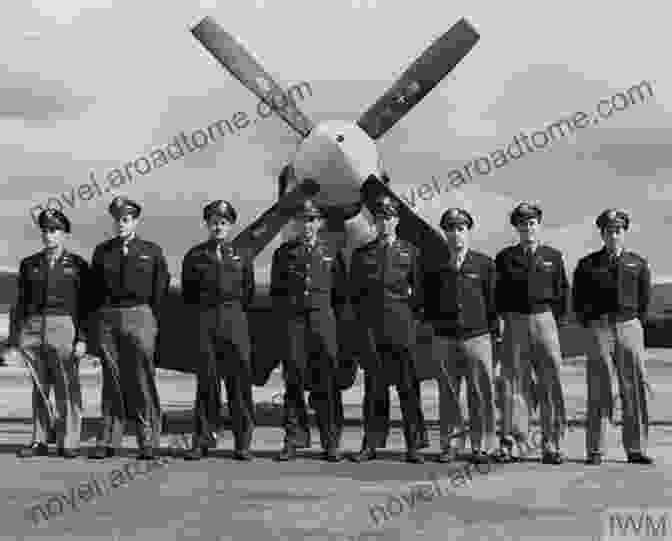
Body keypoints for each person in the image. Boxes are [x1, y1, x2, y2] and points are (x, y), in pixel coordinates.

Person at [89, 196, 169, 460]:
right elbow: (94, 291)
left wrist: (149, 316)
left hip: (140, 314)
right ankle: (108, 440)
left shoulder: (152, 250)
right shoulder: (102, 251)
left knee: (142, 377)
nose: (121, 224)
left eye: (126, 219)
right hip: (108, 317)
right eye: (117, 220)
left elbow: (161, 288)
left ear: (135, 221)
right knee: (111, 380)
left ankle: (148, 439)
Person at [573, 209, 653, 465]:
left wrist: (634, 322)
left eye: (618, 230)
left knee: (635, 388)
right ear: (602, 233)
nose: (614, 235)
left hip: (629, 326)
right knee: (599, 387)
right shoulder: (587, 264)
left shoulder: (637, 263)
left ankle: (636, 448)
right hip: (600, 328)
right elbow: (578, 299)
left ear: (624, 232)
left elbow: (644, 299)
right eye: (609, 231)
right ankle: (596, 448)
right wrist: (591, 324)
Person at [271, 199, 348, 462]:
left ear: (320, 223)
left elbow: (341, 296)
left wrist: (334, 326)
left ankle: (331, 441)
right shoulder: (283, 254)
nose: (308, 225)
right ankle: (294, 439)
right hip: (294, 323)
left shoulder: (332, 252)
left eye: (313, 219)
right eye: (304, 219)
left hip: (322, 322)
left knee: (327, 380)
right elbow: (276, 295)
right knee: (293, 381)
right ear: (297, 223)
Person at [420, 208, 499, 464]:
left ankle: (482, 446)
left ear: (468, 231)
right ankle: (451, 444)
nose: (456, 234)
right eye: (450, 229)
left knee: (481, 393)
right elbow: (428, 304)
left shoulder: (484, 264)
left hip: (478, 338)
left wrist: (493, 335)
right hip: (446, 338)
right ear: (445, 232)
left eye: (460, 228)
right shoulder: (435, 267)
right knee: (449, 394)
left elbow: (493, 302)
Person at [350, 194, 424, 463]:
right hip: (372, 331)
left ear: (397, 221)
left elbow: (419, 296)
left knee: (408, 388)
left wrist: (407, 319)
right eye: (380, 218)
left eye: (389, 218)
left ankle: (414, 446)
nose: (385, 223)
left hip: (401, 328)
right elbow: (354, 296)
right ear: (375, 222)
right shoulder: (362, 255)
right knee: (374, 390)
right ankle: (370, 444)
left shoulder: (410, 252)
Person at [181, 200, 256, 461]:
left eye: (223, 223)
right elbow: (188, 296)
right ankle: (202, 440)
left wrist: (233, 315)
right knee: (206, 383)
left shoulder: (242, 255)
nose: (218, 227)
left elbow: (249, 293)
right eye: (214, 222)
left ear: (231, 225)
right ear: (207, 225)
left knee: (239, 384)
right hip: (205, 321)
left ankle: (242, 443)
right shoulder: (194, 256)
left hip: (234, 320)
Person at [495, 202, 568, 464]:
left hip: (544, 320)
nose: (528, 228)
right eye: (523, 223)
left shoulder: (553, 256)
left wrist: (553, 323)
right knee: (514, 384)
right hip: (515, 321)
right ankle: (512, 442)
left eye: (532, 223)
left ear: (539, 225)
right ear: (516, 227)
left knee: (551, 382)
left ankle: (552, 444)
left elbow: (562, 293)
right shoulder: (505, 257)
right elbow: (498, 295)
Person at [12, 209, 89, 459]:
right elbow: (21, 302)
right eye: (45, 230)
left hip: (64, 324)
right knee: (39, 386)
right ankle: (40, 439)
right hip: (34, 325)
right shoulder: (29, 264)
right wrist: (17, 336)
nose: (48, 235)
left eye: (54, 230)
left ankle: (70, 441)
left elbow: (86, 305)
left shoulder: (77, 265)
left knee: (67, 384)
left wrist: (83, 338)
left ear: (64, 234)